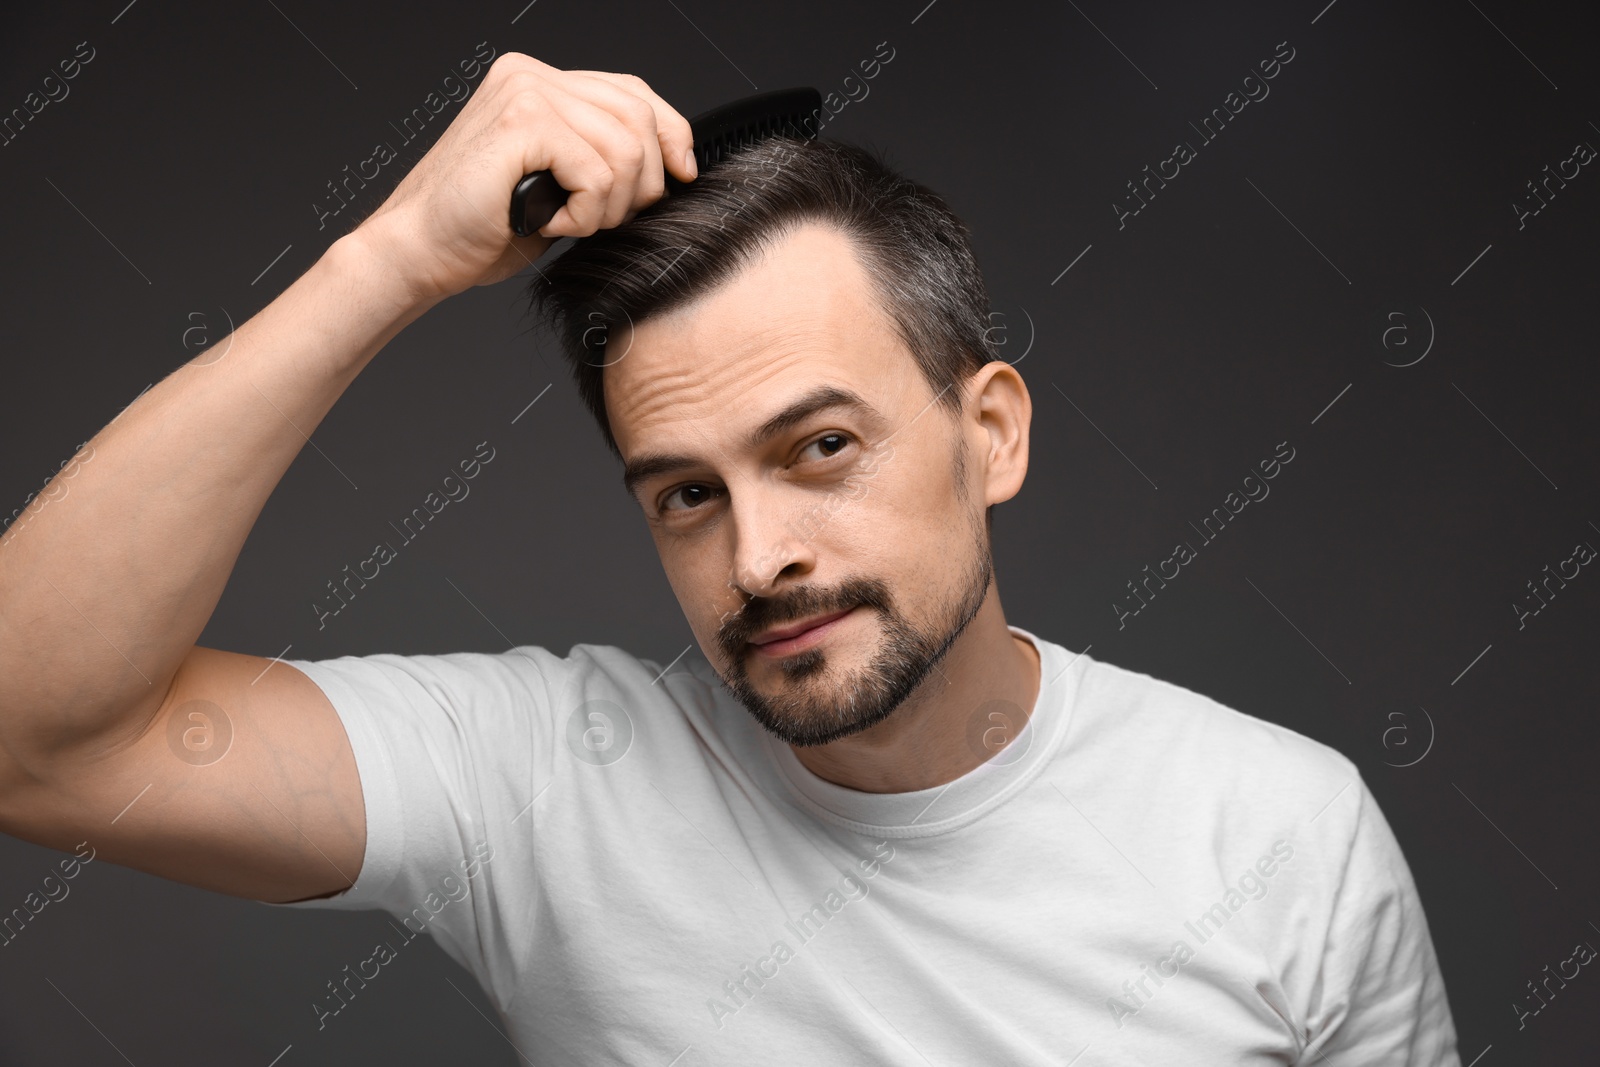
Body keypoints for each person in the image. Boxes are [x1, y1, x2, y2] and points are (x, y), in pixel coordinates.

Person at [0, 52, 1459, 1063]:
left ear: (993, 435)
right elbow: (33, 738)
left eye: (822, 448)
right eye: (686, 495)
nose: (758, 556)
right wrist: (391, 257)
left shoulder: (1283, 839)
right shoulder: (546, 785)